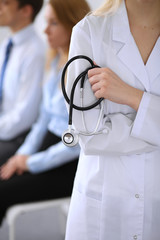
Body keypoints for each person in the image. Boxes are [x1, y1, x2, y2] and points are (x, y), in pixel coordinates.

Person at [64, 0, 160, 239]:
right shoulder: (89, 31)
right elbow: (89, 135)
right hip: (104, 201)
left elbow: (99, 130)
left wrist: (133, 96)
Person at [0, 0, 90, 226]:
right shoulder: (55, 62)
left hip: (68, 162)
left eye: (53, 23)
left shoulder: (84, 72)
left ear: (74, 26)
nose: (45, 30)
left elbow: (77, 143)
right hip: (47, 148)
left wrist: (31, 162)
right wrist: (22, 155)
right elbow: (43, 120)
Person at [0, 0, 45, 164]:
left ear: (25, 11)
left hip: (16, 136)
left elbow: (24, 116)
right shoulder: (7, 45)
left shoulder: (35, 53)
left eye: (6, 3)